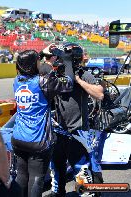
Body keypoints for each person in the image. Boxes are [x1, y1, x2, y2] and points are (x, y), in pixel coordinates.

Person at [11, 49, 74, 197]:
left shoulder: (16, 81)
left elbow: (27, 64)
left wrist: (42, 54)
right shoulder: (43, 82)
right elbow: (69, 82)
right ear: (34, 64)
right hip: (38, 140)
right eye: (38, 60)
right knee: (36, 178)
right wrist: (68, 60)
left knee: (21, 176)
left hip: (18, 138)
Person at [45, 43, 104, 197]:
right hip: (58, 129)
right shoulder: (57, 74)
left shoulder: (84, 74)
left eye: (63, 58)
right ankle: (57, 192)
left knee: (80, 167)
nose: (59, 60)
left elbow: (99, 94)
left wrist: (78, 81)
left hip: (78, 131)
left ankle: (87, 193)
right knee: (56, 165)